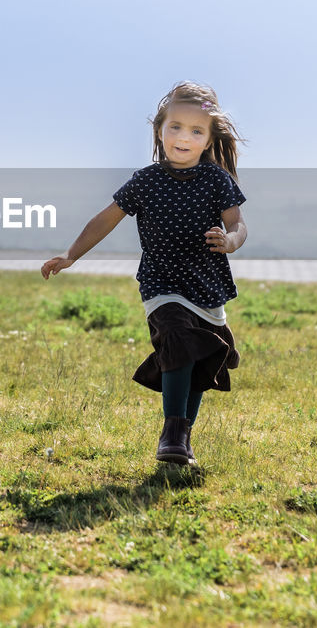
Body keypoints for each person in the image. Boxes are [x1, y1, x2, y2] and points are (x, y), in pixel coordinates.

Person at [41, 82, 247, 466]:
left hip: (206, 288)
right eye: (176, 127)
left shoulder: (217, 181)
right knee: (177, 340)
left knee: (200, 363)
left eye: (196, 131)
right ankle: (171, 432)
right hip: (161, 285)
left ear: (207, 140)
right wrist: (70, 255)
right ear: (159, 130)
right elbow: (106, 219)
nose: (184, 137)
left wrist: (231, 241)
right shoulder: (146, 181)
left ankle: (181, 437)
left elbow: (239, 224)